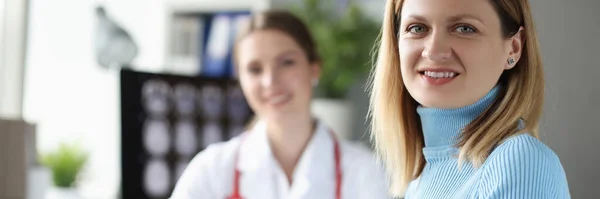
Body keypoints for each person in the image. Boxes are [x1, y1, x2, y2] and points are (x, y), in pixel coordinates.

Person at [170, 10, 391, 199]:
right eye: (255, 69)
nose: (270, 81)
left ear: (314, 68)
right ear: (240, 80)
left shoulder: (365, 172)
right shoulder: (211, 171)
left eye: (286, 63)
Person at [368, 0, 570, 198]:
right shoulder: (418, 180)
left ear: (514, 48)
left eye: (465, 29)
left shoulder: (521, 162)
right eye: (417, 28)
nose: (434, 52)